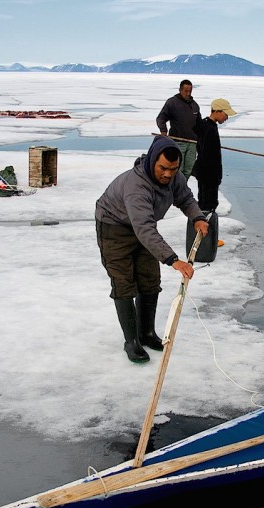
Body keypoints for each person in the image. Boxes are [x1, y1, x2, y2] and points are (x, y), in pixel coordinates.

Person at [95, 136, 209, 363]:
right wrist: (173, 260)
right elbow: (144, 228)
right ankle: (131, 341)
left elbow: (185, 198)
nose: (168, 174)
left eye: (173, 169)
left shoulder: (174, 178)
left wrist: (197, 216)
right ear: (152, 162)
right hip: (114, 226)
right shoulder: (137, 186)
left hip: (142, 227)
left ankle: (146, 333)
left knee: (149, 281)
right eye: (163, 168)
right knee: (124, 283)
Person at [192, 98, 237, 211]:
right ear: (217, 111)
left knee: (205, 202)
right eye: (226, 114)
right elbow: (208, 155)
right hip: (208, 174)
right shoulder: (209, 128)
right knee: (208, 204)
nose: (227, 117)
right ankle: (204, 226)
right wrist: (216, 176)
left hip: (205, 173)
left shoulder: (206, 125)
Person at [156, 79, 201, 180]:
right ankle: (174, 191)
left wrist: (203, 138)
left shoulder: (194, 105)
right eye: (186, 91)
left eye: (190, 91)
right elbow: (161, 118)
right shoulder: (172, 103)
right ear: (180, 90)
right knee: (177, 169)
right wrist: (163, 132)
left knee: (188, 170)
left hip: (193, 143)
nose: (188, 93)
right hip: (178, 142)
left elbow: (200, 125)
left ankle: (182, 190)